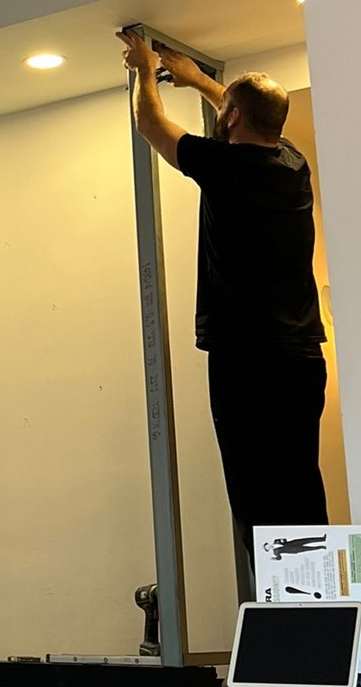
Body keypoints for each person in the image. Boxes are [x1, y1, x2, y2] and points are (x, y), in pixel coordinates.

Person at [117, 30, 328, 561]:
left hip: (248, 362)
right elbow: (249, 119)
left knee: (257, 497)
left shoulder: (225, 166)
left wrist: (143, 68)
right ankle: (318, 597)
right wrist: (200, 81)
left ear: (232, 118)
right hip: (301, 358)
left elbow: (151, 125)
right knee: (300, 487)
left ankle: (283, 606)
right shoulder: (292, 163)